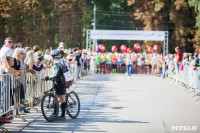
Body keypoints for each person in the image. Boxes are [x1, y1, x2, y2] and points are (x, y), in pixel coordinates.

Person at [44, 50, 67, 120]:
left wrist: (48, 77)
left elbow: (56, 74)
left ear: (53, 56)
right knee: (56, 97)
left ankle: (63, 115)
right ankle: (55, 113)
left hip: (60, 81)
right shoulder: (58, 61)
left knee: (62, 98)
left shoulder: (57, 62)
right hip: (58, 81)